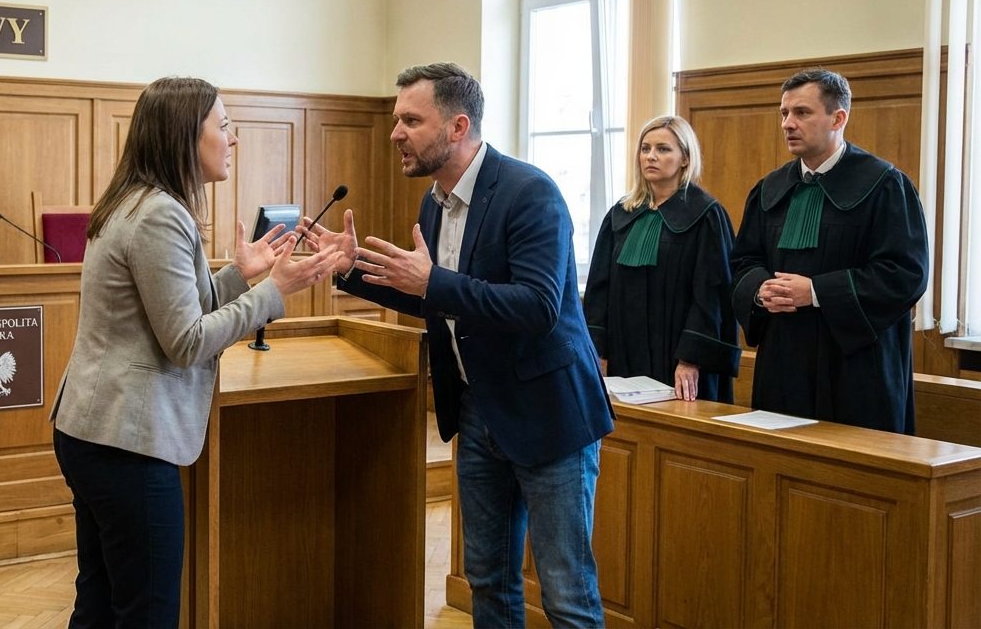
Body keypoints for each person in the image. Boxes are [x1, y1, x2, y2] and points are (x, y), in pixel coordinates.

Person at [299, 63, 613, 628]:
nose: (395, 133)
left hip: (548, 416)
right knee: (487, 582)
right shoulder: (435, 202)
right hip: (478, 411)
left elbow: (538, 307)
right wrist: (352, 270)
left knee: (566, 596)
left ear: (457, 126)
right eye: (397, 119)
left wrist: (434, 283)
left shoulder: (530, 192)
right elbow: (434, 296)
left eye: (410, 120)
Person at [47, 77, 335, 628]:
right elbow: (185, 341)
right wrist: (273, 292)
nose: (233, 138)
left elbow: (168, 309)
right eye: (223, 126)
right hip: (126, 440)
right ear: (185, 136)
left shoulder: (135, 201)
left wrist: (238, 275)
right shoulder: (162, 214)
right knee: (147, 614)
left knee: (100, 605)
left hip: (94, 429)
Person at [730, 68, 929, 433]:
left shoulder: (884, 185)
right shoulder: (769, 189)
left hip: (857, 366)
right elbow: (743, 260)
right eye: (784, 113)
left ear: (838, 118)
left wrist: (816, 292)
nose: (788, 123)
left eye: (801, 112)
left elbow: (905, 274)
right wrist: (760, 289)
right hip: (783, 362)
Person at [583, 115, 741, 402]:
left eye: (663, 149)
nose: (651, 156)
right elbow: (598, 290)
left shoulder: (705, 215)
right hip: (624, 352)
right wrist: (598, 351)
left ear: (685, 158)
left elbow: (712, 295)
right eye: (645, 149)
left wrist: (691, 358)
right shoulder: (620, 215)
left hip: (680, 357)